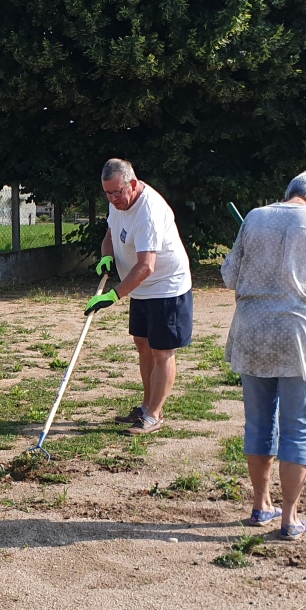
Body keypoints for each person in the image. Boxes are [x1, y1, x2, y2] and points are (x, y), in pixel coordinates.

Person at [221, 169, 306, 540]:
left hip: (252, 332)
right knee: (297, 428)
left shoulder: (256, 216)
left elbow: (230, 274)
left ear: (289, 193)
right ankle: (289, 517)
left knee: (259, 424)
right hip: (299, 334)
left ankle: (261, 504)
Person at [85, 158, 193, 435]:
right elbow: (110, 235)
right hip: (141, 287)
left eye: (117, 192)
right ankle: (145, 407)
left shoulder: (149, 212)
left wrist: (113, 295)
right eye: (107, 193)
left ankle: (154, 415)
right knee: (142, 344)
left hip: (166, 286)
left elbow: (147, 266)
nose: (113, 198)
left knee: (161, 350)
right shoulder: (116, 200)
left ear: (132, 184)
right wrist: (107, 258)